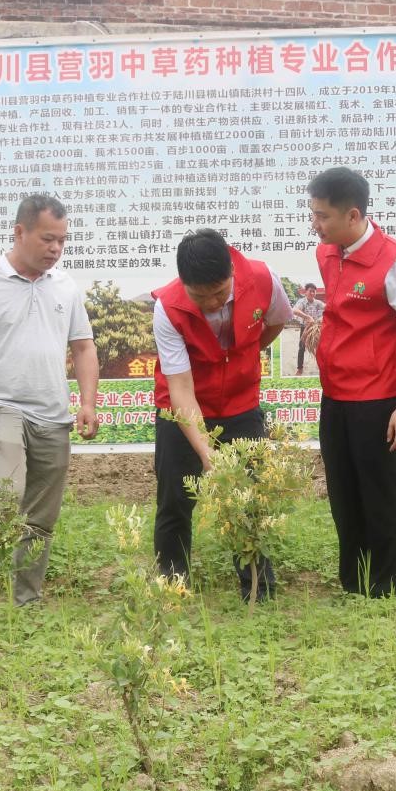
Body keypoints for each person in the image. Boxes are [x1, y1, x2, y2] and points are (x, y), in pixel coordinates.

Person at [0, 194, 99, 613]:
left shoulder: (65, 286)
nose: (56, 249)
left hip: (53, 415)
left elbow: (83, 348)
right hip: (1, 407)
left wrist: (87, 402)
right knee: (4, 494)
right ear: (20, 232)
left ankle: (26, 601)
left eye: (63, 241)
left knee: (41, 517)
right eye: (48, 238)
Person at [152, 228, 293, 600]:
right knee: (175, 499)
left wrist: (241, 360)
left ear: (232, 270)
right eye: (201, 297)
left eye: (219, 292)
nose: (213, 304)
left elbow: (277, 321)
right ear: (184, 285)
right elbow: (181, 389)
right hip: (181, 407)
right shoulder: (167, 307)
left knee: (249, 496)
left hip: (240, 403)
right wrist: (206, 452)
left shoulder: (263, 279)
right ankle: (172, 586)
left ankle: (257, 589)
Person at [308, 167, 396, 598]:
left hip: (377, 399)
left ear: (353, 215)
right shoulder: (327, 254)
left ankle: (383, 585)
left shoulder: (395, 264)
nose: (315, 223)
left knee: (379, 494)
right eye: (313, 213)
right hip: (335, 395)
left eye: (322, 216)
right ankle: (353, 581)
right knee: (343, 491)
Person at [291, 282, 324, 375]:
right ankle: (299, 368)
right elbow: (294, 310)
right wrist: (307, 317)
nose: (312, 293)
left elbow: (327, 307)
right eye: (310, 291)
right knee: (302, 347)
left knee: (320, 347)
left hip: (316, 328)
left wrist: (321, 318)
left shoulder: (318, 303)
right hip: (305, 327)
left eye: (314, 291)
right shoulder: (302, 302)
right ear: (306, 292)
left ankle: (322, 366)